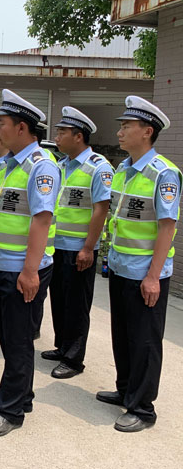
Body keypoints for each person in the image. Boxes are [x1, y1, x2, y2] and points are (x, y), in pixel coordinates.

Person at [0, 89, 60, 437]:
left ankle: (10, 411)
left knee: (18, 339)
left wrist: (29, 271)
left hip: (22, 269)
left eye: (2, 124)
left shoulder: (40, 167)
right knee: (10, 337)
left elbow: (41, 220)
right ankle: (19, 394)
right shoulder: (7, 166)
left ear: (22, 128)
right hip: (1, 264)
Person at [96, 96, 180, 433]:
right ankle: (126, 389)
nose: (119, 132)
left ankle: (143, 408)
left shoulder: (164, 173)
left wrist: (154, 277)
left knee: (145, 340)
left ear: (147, 131)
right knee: (123, 334)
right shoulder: (123, 170)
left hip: (145, 272)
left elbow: (167, 227)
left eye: (126, 126)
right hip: (121, 267)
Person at [45, 107, 112, 379]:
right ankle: (62, 346)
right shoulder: (61, 165)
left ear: (78, 136)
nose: (57, 137)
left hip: (79, 249)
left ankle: (73, 359)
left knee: (76, 304)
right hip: (57, 245)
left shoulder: (98, 167)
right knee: (59, 300)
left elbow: (101, 209)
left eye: (62, 132)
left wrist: (88, 247)